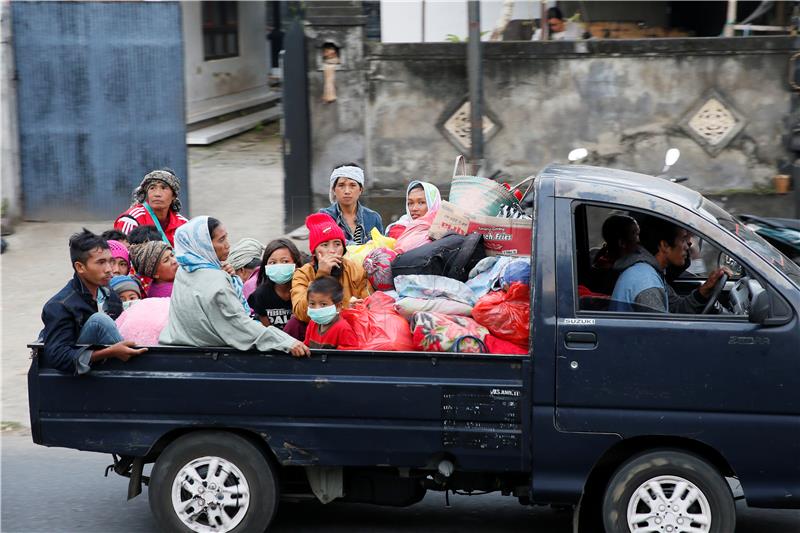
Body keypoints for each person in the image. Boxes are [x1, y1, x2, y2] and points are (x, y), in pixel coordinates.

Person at [159, 216, 309, 357]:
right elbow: (240, 325)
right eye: (221, 240)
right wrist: (286, 342)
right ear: (205, 246)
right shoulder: (217, 281)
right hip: (212, 358)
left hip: (176, 351)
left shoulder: (184, 272)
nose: (227, 245)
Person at [39, 229, 147, 374]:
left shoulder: (111, 295)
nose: (110, 269)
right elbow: (58, 357)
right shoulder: (60, 306)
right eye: (101, 263)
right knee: (99, 320)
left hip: (110, 369)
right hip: (78, 377)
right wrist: (109, 352)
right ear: (80, 267)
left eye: (111, 261)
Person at [610, 218, 728, 313]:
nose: (687, 246)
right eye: (682, 239)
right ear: (665, 246)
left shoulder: (650, 272)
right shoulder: (647, 285)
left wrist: (704, 290)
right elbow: (663, 336)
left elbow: (676, 308)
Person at [291, 213, 371, 324]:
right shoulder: (302, 274)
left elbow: (369, 305)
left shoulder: (355, 270)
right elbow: (301, 314)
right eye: (324, 245)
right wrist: (321, 275)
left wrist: (356, 308)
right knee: (294, 324)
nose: (332, 251)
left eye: (337, 244)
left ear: (343, 249)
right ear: (314, 252)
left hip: (349, 328)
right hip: (314, 329)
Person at [114, 169, 188, 246]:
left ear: (174, 196)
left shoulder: (184, 225)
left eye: (163, 188)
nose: (157, 194)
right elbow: (122, 255)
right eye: (152, 188)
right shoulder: (130, 220)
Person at [319, 163, 383, 245]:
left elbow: (381, 249)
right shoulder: (324, 216)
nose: (347, 191)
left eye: (352, 185)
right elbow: (330, 244)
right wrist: (362, 248)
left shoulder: (373, 217)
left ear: (360, 190)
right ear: (334, 190)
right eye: (341, 185)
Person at [247, 239, 304, 329]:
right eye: (272, 262)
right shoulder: (260, 295)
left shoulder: (304, 292)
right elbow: (269, 331)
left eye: (285, 261)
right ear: (266, 266)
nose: (279, 266)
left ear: (296, 264)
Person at [587, 214, 640, 294]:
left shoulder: (599, 259)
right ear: (621, 243)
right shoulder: (613, 277)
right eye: (635, 235)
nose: (638, 240)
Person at [304, 276, 358, 349]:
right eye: (312, 304)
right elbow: (306, 347)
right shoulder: (312, 323)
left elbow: (348, 358)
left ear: (338, 306)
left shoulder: (343, 329)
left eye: (323, 304)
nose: (317, 309)